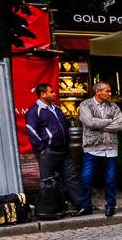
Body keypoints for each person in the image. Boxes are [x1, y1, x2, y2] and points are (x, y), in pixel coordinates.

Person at [25, 83, 83, 220]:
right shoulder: (35, 111)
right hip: (48, 152)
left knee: (72, 178)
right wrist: (42, 149)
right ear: (43, 94)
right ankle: (52, 211)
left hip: (63, 151)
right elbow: (31, 131)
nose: (54, 94)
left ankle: (81, 205)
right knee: (48, 182)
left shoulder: (56, 108)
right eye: (51, 92)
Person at [77, 81, 122, 218]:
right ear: (98, 92)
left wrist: (99, 124)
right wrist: (109, 121)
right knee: (86, 178)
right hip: (92, 147)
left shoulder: (114, 107)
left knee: (110, 179)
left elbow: (120, 125)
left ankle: (110, 205)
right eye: (107, 91)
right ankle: (86, 206)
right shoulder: (85, 105)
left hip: (110, 148)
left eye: (110, 91)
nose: (110, 93)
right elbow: (89, 122)